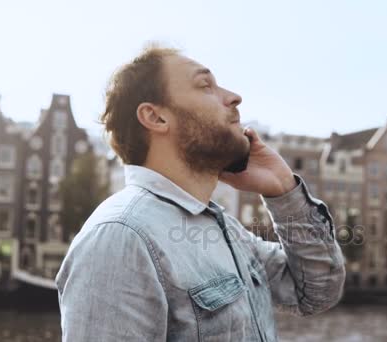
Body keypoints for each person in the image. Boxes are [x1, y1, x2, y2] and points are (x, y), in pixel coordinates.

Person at [56, 45, 346, 341]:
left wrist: (285, 191)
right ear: (155, 118)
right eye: (205, 85)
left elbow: (316, 292)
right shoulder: (120, 237)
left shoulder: (224, 228)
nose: (234, 97)